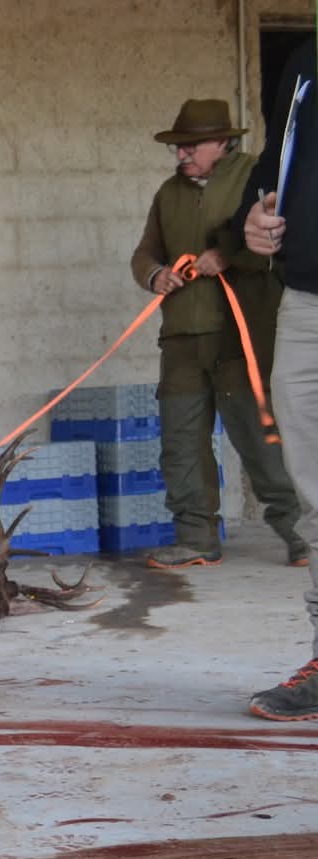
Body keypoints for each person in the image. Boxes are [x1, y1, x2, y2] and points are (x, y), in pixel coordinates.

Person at [129, 98, 306, 570]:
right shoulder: (167, 194)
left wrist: (228, 255)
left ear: (222, 142)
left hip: (240, 337)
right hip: (182, 340)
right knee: (181, 444)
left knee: (260, 441)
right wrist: (155, 275)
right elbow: (144, 254)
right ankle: (195, 538)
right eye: (178, 146)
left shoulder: (254, 180)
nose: (181, 154)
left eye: (191, 146)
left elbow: (279, 242)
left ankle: (302, 535)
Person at [239, 36, 318, 722]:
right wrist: (255, 213)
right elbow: (273, 164)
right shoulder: (305, 62)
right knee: (314, 495)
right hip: (306, 301)